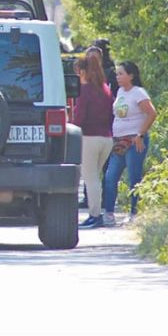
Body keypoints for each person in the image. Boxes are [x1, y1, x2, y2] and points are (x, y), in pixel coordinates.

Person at [102, 61, 158, 226]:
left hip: (135, 141)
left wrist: (140, 134)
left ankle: (135, 212)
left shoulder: (138, 93)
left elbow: (151, 113)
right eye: (117, 74)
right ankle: (109, 213)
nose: (118, 77)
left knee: (134, 177)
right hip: (119, 141)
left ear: (131, 75)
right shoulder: (120, 91)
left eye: (121, 74)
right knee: (110, 176)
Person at [71, 57, 114, 229]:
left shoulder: (85, 90)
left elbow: (79, 117)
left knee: (90, 178)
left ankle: (95, 215)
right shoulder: (105, 89)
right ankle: (97, 213)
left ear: (82, 72)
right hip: (107, 138)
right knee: (95, 177)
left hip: (89, 138)